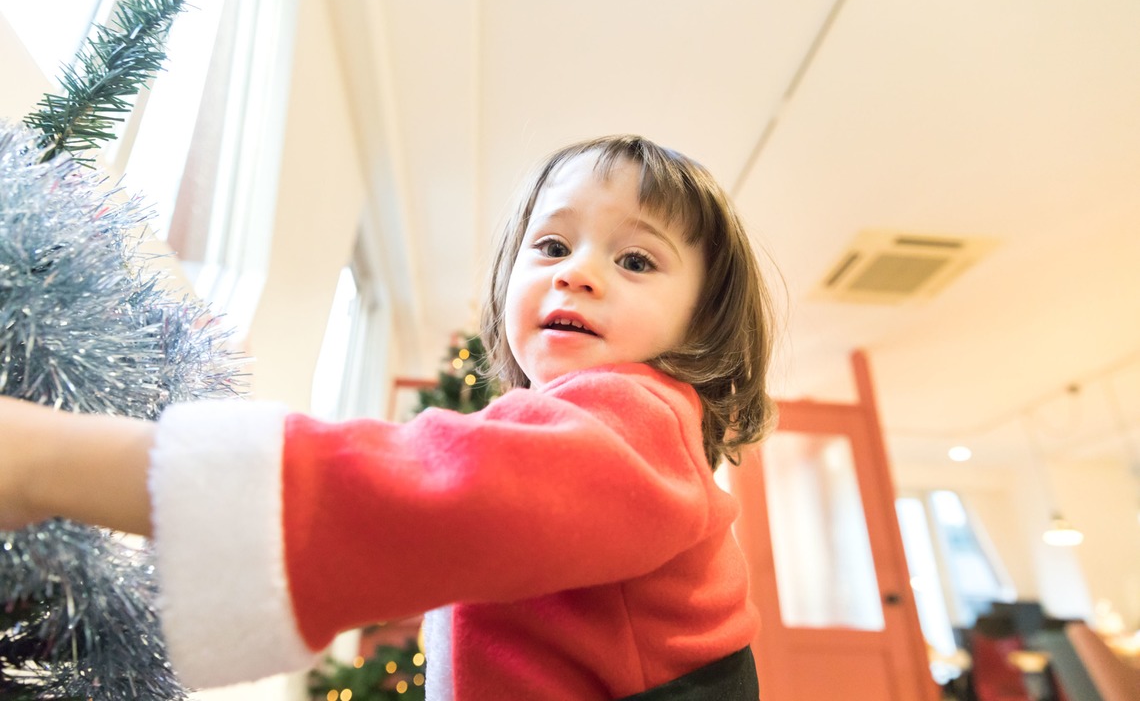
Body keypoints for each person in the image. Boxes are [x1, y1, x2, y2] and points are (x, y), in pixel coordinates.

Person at [0, 134, 777, 700]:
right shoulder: (571, 426)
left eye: (635, 260)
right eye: (551, 245)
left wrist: (46, 463)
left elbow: (435, 495)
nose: (578, 273)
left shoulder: (638, 418)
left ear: (701, 324)